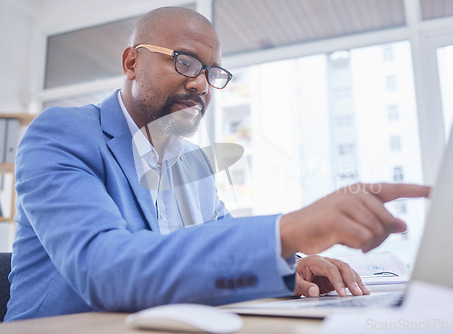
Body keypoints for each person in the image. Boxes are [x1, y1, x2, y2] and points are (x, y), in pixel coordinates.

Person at [4, 7, 429, 321]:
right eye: (185, 62)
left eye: (213, 73)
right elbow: (105, 268)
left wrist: (290, 265)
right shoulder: (62, 134)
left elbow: (219, 237)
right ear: (131, 62)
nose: (200, 84)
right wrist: (290, 228)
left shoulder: (191, 163)